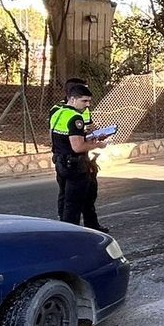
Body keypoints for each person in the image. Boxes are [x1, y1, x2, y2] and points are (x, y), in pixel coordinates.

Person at [49, 81, 111, 230]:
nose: (87, 104)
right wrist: (98, 144)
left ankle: (68, 228)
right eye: (84, 101)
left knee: (66, 199)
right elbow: (78, 147)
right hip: (75, 164)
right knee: (75, 203)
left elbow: (61, 136)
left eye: (89, 101)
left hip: (60, 161)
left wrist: (89, 135)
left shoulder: (58, 112)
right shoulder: (75, 117)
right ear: (72, 98)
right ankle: (71, 234)